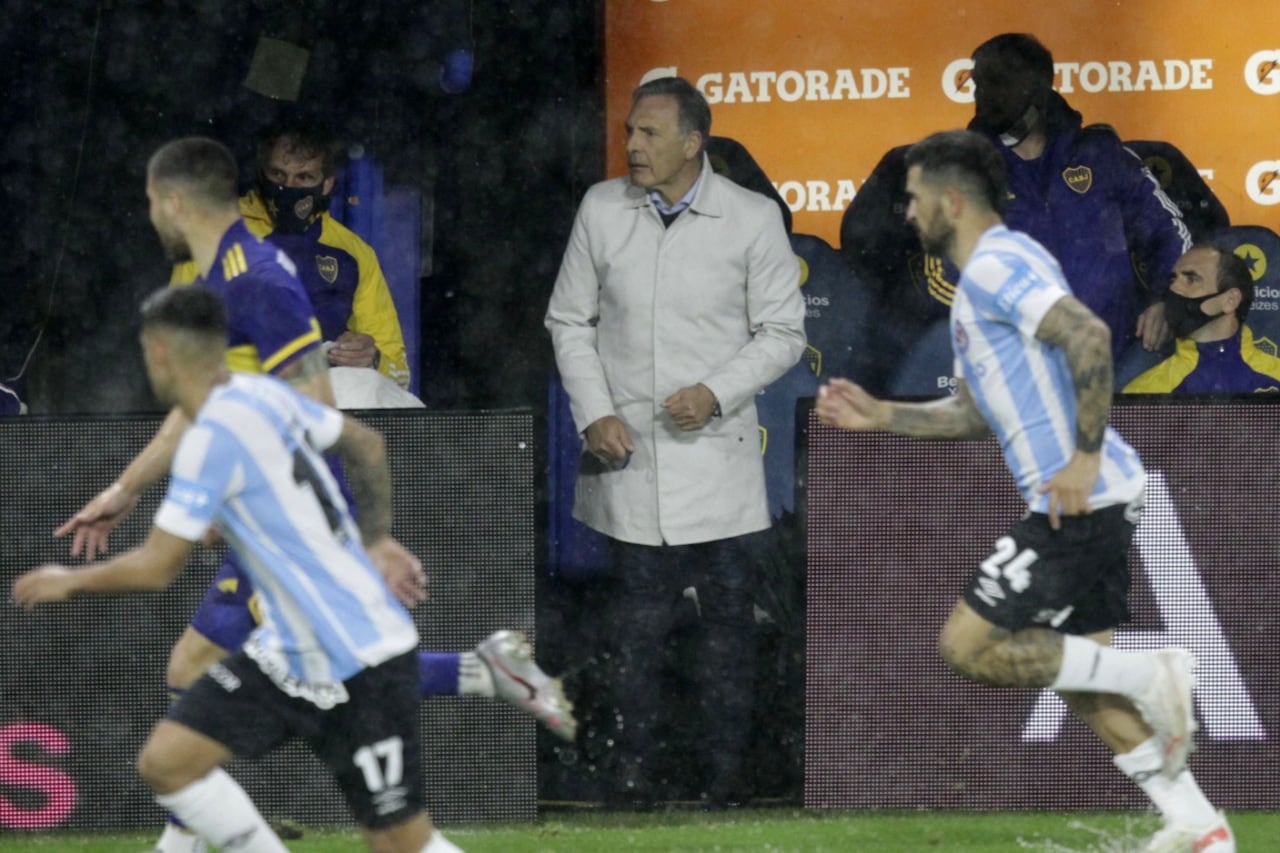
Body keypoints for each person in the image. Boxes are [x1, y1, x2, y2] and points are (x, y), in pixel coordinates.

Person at [56, 137, 573, 852]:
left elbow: (320, 411)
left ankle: (478, 676)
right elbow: (201, 403)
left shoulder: (258, 281)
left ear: (173, 203)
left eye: (149, 201)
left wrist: (323, 522)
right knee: (226, 673)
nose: (148, 214)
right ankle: (480, 672)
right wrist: (124, 489)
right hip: (274, 522)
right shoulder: (219, 277)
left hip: (295, 528)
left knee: (325, 695)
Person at [817, 129, 1233, 853]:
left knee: (968, 645)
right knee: (1083, 679)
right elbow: (975, 414)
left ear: (951, 200)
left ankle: (1152, 670)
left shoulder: (997, 264)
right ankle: (1200, 825)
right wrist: (884, 415)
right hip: (1096, 495)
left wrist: (1082, 457)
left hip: (1080, 499)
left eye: (914, 198)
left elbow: (1089, 336)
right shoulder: (989, 276)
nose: (907, 212)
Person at [14, 285, 458, 852]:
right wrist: (378, 538)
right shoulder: (262, 393)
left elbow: (156, 567)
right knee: (169, 761)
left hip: (355, 656)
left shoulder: (210, 437)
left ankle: (480, 670)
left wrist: (66, 581)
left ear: (158, 352)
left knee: (401, 843)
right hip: (291, 650)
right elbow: (366, 444)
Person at [544, 75, 806, 807]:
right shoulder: (601, 208)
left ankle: (724, 782)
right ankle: (631, 781)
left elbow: (784, 332)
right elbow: (569, 321)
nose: (632, 145)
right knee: (633, 641)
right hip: (628, 461)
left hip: (718, 466)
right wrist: (594, 413)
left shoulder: (751, 217)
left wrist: (717, 391)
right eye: (630, 131)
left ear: (693, 143)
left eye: (649, 133)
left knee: (727, 640)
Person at [840, 33, 1192, 390]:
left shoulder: (1102, 155)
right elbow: (942, 275)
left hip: (1116, 369)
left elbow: (1170, 232)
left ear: (1036, 87)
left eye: (998, 82)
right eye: (979, 83)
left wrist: (1166, 300)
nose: (984, 94)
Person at [171, 118, 417, 407]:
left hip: (328, 402)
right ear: (262, 173)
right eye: (278, 175)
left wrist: (371, 358)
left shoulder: (353, 251)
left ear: (327, 184)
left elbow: (399, 372)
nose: (288, 187)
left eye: (304, 178)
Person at [1123, 243, 1280, 393]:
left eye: (1191, 279)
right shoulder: (1145, 391)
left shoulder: (1275, 376)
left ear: (1230, 300)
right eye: (1173, 279)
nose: (1174, 288)